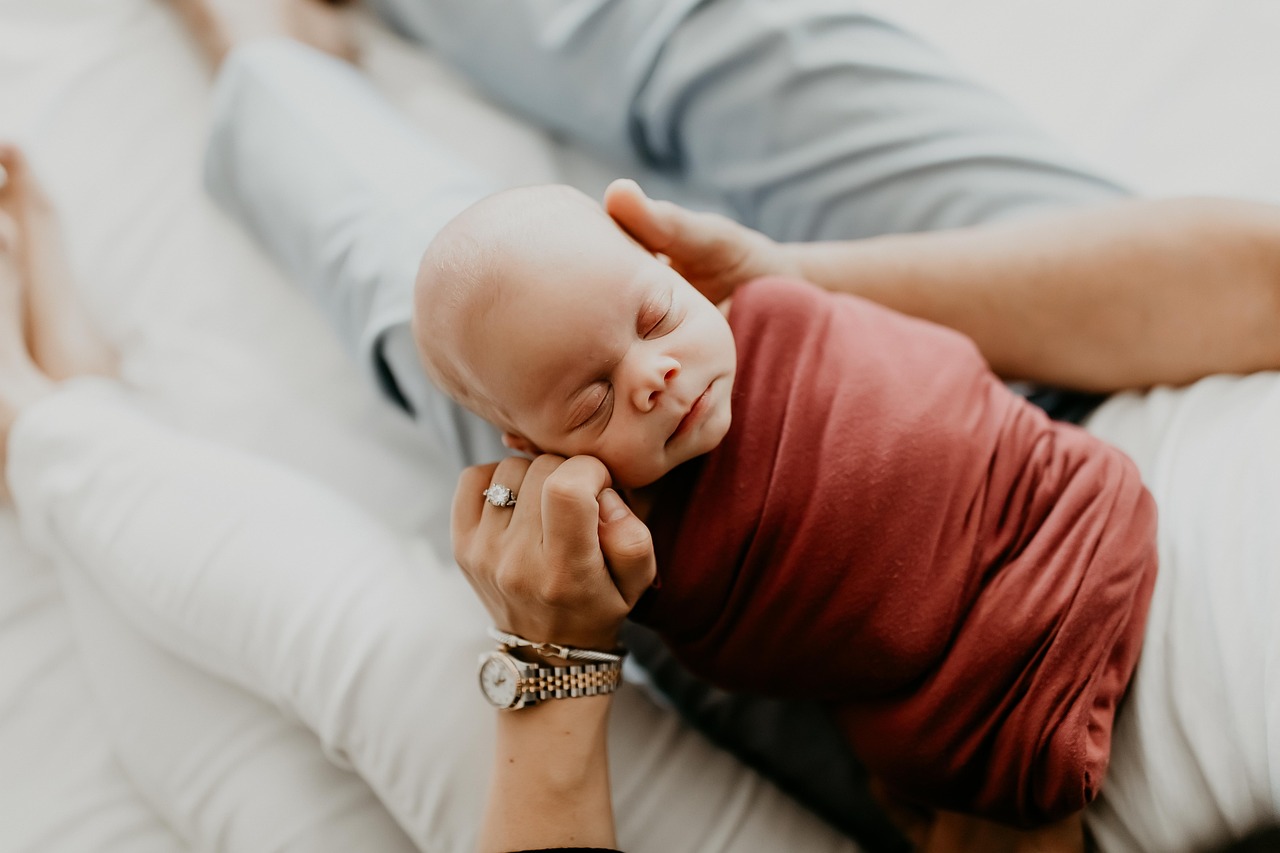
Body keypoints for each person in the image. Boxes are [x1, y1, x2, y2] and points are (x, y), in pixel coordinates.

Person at [162, 1, 1280, 849]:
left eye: (645, 339)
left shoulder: (610, 510)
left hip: (961, 692)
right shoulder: (692, 325)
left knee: (413, 284)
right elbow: (1262, 279)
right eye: (602, 394)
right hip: (1146, 333)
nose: (647, 382)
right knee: (728, 47)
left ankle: (265, 58)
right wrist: (796, 284)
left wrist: (556, 653)